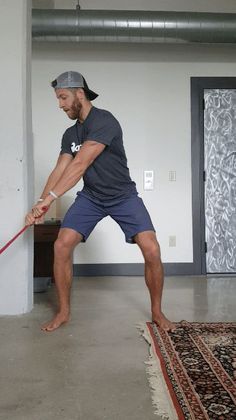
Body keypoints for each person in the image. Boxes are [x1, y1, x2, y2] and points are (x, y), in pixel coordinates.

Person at [26, 71, 175, 333]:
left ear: (79, 94)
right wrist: (39, 202)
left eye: (63, 97)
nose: (60, 104)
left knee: (151, 248)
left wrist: (50, 200)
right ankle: (63, 312)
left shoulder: (105, 121)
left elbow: (81, 163)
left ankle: (157, 311)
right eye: (58, 99)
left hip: (123, 196)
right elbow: (60, 170)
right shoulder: (70, 134)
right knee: (61, 245)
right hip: (91, 198)